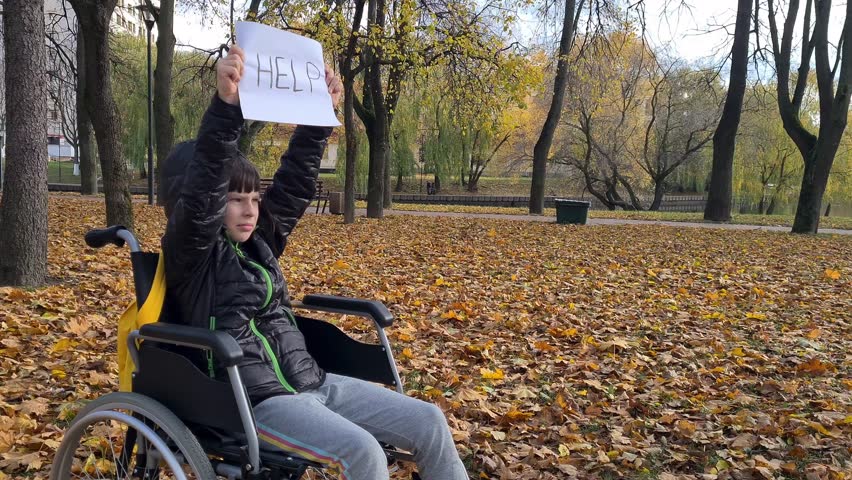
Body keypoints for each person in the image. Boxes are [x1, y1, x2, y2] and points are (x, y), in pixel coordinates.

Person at [159, 45, 468, 480]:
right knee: (365, 454)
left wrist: (320, 118)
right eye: (233, 200)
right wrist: (227, 109)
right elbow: (204, 184)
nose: (250, 210)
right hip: (254, 403)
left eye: (253, 197)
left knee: (430, 421)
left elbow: (293, 186)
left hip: (312, 381)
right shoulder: (191, 254)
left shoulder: (259, 245)